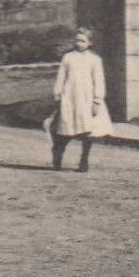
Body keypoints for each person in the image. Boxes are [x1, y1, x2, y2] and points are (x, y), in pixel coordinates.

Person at [51, 27, 109, 172]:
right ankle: (58, 156)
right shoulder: (68, 58)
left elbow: (99, 81)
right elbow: (61, 78)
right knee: (65, 131)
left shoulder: (94, 60)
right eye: (77, 40)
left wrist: (97, 100)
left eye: (83, 41)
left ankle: (84, 161)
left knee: (87, 132)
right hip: (69, 99)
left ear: (90, 43)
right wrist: (58, 95)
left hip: (86, 100)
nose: (79, 44)